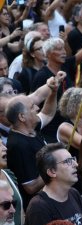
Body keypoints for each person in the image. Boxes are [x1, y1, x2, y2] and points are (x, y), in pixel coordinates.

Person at [6, 75, 62, 205]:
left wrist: (53, 92)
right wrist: (56, 165)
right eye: (32, 107)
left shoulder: (31, 129)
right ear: (22, 117)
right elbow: (30, 187)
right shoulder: (18, 145)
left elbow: (47, 113)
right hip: (40, 205)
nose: (37, 108)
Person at [24, 143, 82, 225]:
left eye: (73, 159)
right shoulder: (39, 207)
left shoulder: (74, 193)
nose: (76, 164)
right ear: (52, 172)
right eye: (68, 161)